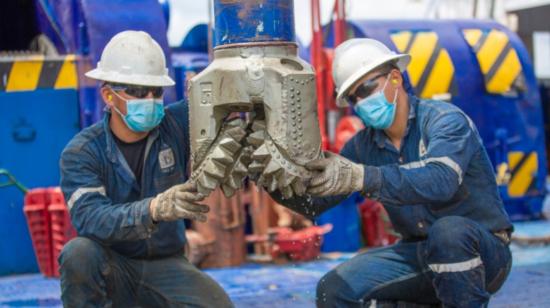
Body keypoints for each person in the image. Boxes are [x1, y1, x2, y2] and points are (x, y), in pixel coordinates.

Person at [272, 38, 513, 307]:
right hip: (417, 253)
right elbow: (314, 204)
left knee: (449, 233)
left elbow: (440, 180)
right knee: (334, 289)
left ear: (395, 78)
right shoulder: (362, 146)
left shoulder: (445, 121)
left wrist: (362, 176)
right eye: (353, 97)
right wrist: (275, 176)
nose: (360, 102)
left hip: (482, 255)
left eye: (365, 88)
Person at [58, 30, 233, 307]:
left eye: (156, 91)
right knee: (78, 253)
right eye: (138, 91)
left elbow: (222, 102)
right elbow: (90, 218)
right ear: (108, 95)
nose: (150, 99)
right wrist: (153, 209)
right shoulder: (82, 152)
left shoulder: (175, 125)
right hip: (113, 265)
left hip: (166, 265)